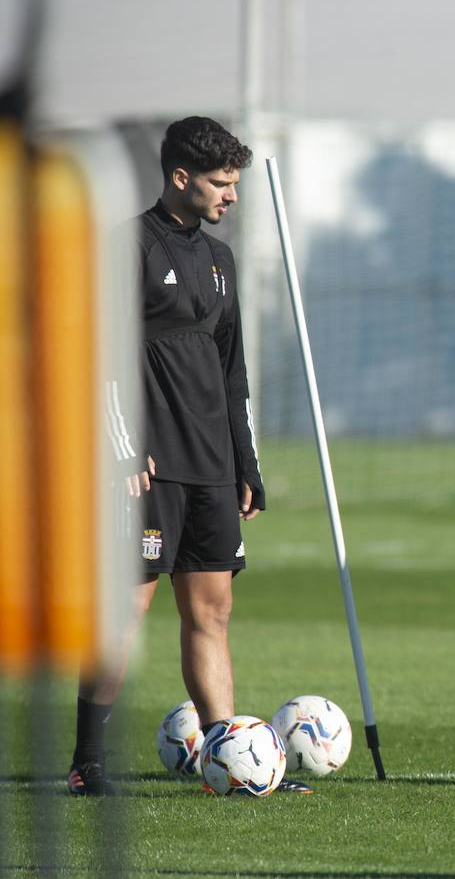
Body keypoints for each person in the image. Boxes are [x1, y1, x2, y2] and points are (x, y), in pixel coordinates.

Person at [70, 117, 308, 795]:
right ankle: (88, 761)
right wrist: (121, 450)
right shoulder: (127, 249)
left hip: (210, 468)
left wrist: (245, 465)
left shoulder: (220, 260)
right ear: (181, 177)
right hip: (147, 468)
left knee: (212, 613)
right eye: (221, 182)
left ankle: (226, 761)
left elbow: (233, 374)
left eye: (235, 183)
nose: (231, 195)